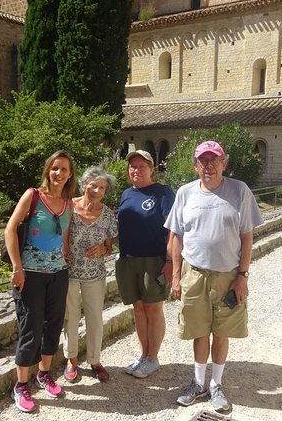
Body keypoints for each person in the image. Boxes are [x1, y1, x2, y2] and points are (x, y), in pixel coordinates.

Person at [164, 140, 263, 413]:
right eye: (203, 160)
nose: (208, 165)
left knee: (221, 331)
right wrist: (175, 276)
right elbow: (177, 238)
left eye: (214, 160)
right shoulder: (185, 193)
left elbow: (247, 237)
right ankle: (198, 383)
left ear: (224, 163)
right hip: (193, 274)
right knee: (198, 330)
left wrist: (242, 276)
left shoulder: (239, 191)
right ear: (195, 165)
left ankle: (216, 384)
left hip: (227, 275)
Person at [4, 150, 76, 413]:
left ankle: (44, 373)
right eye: (55, 168)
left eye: (64, 170)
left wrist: (65, 257)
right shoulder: (33, 195)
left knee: (53, 324)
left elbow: (65, 232)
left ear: (70, 175)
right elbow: (10, 229)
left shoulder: (68, 202)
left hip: (58, 273)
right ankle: (21, 385)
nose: (59, 173)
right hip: (30, 274)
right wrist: (16, 267)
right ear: (48, 170)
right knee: (31, 326)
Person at [116, 149, 175, 379]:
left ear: (152, 168)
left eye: (142, 166)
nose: (136, 170)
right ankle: (143, 356)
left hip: (153, 259)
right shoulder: (126, 194)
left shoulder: (162, 193)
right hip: (128, 259)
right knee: (138, 309)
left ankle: (153, 357)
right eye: (132, 166)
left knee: (153, 308)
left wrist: (170, 261)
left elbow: (172, 230)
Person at [61, 166, 118, 383]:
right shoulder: (69, 207)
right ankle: (71, 360)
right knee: (71, 318)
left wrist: (104, 249)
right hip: (69, 273)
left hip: (95, 273)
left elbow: (112, 239)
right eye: (93, 185)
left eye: (102, 187)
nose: (97, 190)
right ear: (85, 184)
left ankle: (94, 360)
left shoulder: (107, 215)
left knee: (95, 318)